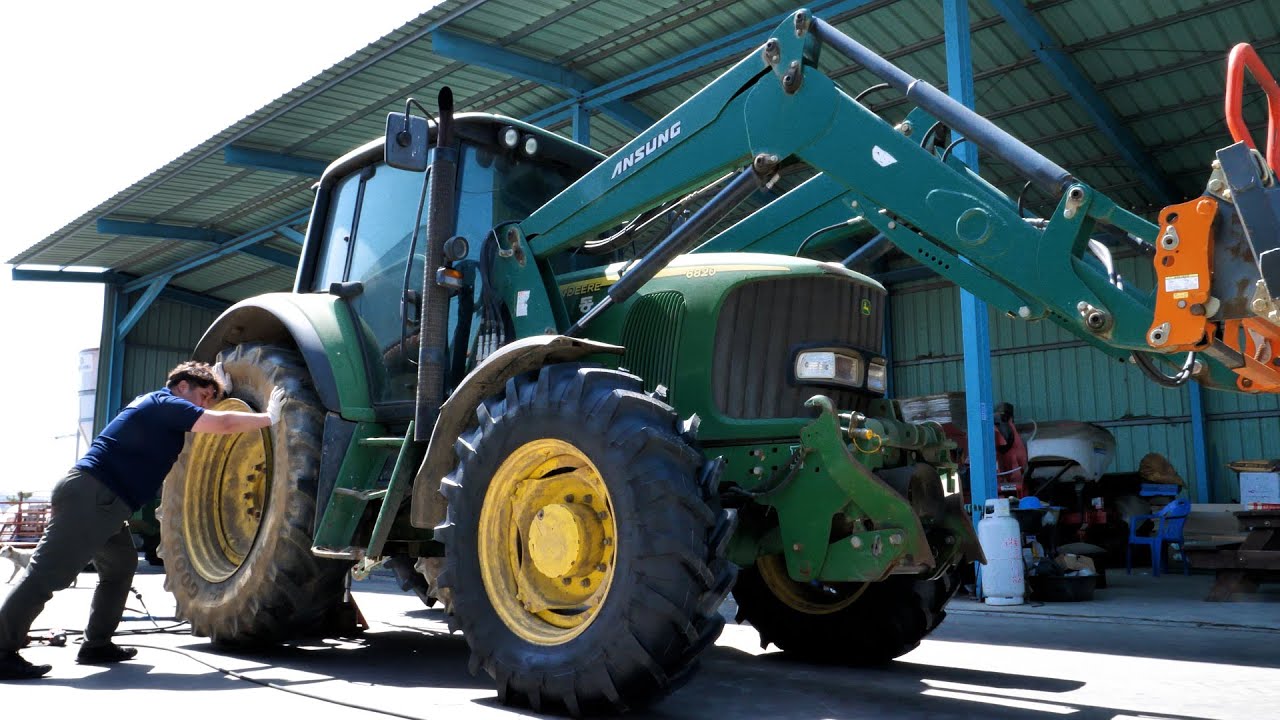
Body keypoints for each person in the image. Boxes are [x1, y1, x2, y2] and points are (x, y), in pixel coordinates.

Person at [0, 360, 284, 680]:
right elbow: (220, 423)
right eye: (203, 396)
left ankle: (96, 644)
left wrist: (218, 388)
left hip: (108, 501)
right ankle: (2, 649)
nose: (206, 403)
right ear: (181, 386)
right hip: (94, 495)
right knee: (47, 574)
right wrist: (267, 418)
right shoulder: (166, 402)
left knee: (120, 567)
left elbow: (208, 414)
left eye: (210, 398)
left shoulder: (164, 406)